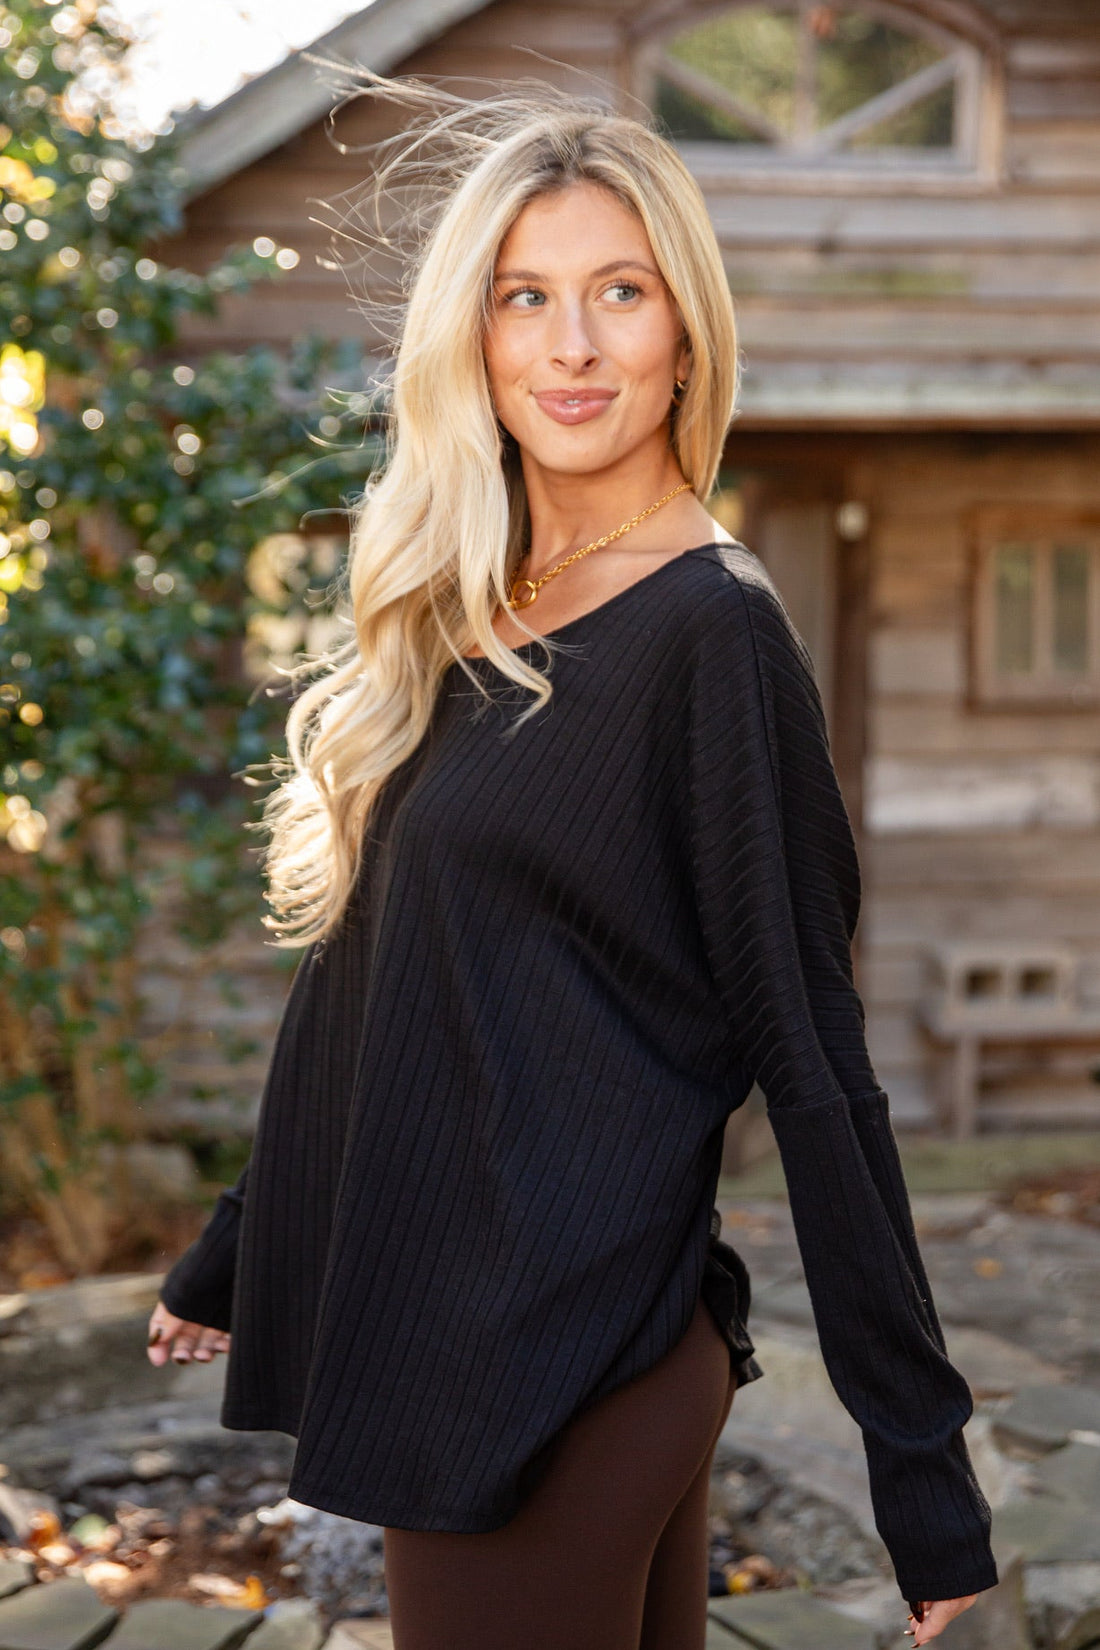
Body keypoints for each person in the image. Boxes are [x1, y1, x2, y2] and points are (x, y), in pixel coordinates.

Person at [146, 82, 998, 1650]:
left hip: (552, 1375)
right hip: (495, 1343)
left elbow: (813, 1063)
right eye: (525, 298)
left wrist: (921, 1470)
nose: (574, 346)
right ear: (474, 337)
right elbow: (382, 974)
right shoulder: (477, 610)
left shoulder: (714, 637)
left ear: (686, 329)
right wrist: (241, 1243)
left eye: (621, 292)